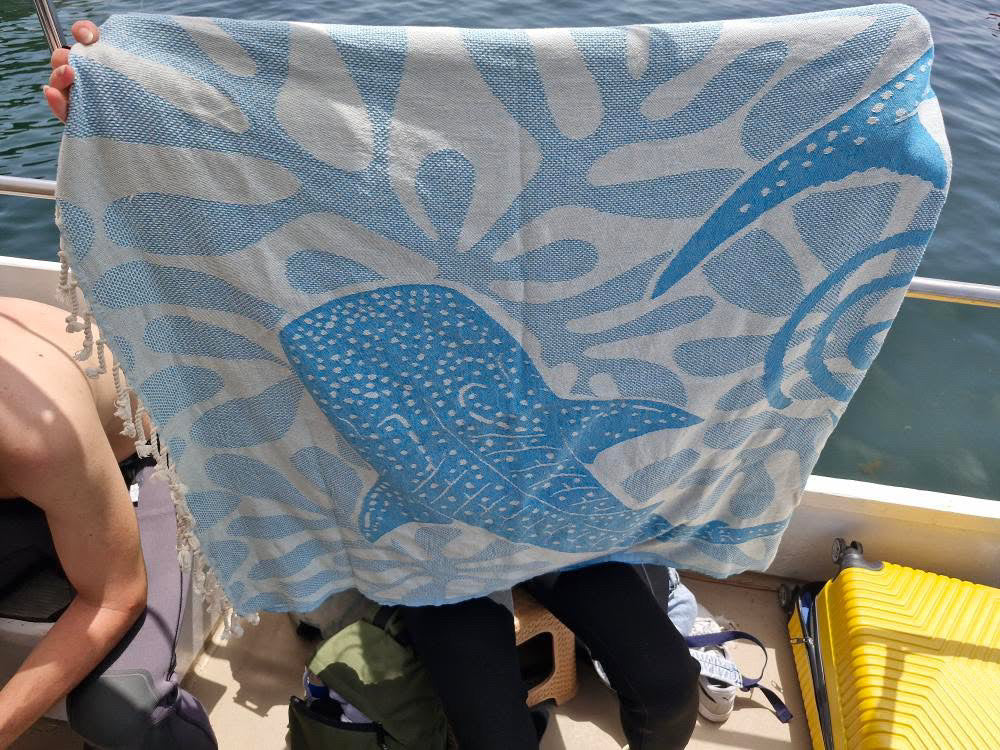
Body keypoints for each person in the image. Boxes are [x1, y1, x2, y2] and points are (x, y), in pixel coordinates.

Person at [41, 20, 700, 749]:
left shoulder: (513, 227)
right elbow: (205, 228)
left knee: (670, 684)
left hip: (542, 493)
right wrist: (120, 112)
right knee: (494, 737)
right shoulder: (310, 287)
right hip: (425, 525)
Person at [0, 293, 216, 748]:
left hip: (132, 464)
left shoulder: (31, 425)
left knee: (118, 707)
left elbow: (115, 598)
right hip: (26, 492)